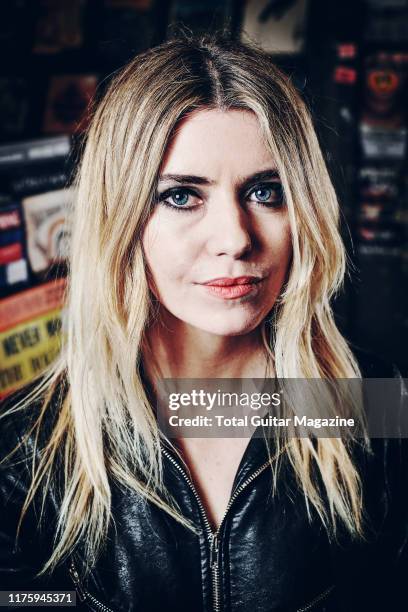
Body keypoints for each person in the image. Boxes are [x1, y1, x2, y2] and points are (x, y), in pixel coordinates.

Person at [0, 35, 406, 612]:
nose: (237, 239)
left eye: (266, 192)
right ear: (120, 217)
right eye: (182, 197)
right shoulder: (23, 458)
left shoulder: (378, 411)